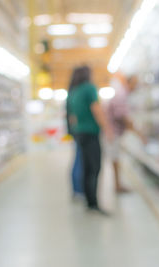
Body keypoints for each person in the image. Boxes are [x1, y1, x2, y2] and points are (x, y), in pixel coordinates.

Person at [67, 66, 114, 215]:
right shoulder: (89, 88)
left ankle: (88, 201)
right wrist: (107, 128)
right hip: (91, 133)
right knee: (95, 168)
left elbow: (72, 116)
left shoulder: (74, 91)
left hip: (79, 133)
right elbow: (97, 109)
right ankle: (94, 203)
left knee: (86, 168)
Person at [107, 72, 145, 193]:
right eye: (135, 83)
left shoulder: (123, 95)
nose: (136, 86)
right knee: (115, 158)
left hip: (115, 132)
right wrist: (138, 133)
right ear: (129, 83)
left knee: (116, 157)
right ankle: (117, 185)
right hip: (113, 132)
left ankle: (118, 184)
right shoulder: (121, 94)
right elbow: (121, 116)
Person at [66, 69, 83, 197]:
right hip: (79, 131)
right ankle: (78, 189)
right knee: (79, 159)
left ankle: (76, 189)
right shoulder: (76, 93)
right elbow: (73, 116)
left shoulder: (71, 92)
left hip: (75, 131)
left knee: (77, 158)